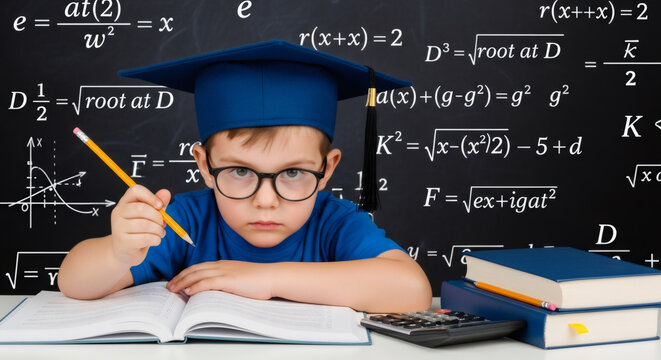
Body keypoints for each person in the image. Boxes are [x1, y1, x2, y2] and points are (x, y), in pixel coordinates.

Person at [58, 40, 432, 313]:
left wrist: (264, 278)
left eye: (293, 173)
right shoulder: (184, 220)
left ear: (327, 170)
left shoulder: (334, 223)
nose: (265, 199)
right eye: (239, 171)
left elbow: (412, 289)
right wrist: (116, 252)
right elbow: (73, 283)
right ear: (205, 166)